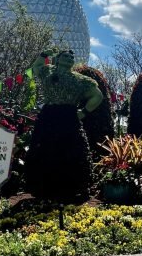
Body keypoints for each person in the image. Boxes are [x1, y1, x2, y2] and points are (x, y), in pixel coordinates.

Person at [26, 48, 103, 202]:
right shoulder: (47, 71)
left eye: (71, 57)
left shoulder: (81, 80)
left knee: (71, 148)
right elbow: (35, 68)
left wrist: (84, 112)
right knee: (45, 147)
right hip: (49, 116)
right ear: (58, 59)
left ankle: (72, 186)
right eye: (65, 56)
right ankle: (42, 186)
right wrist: (43, 54)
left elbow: (98, 95)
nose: (68, 58)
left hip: (69, 116)